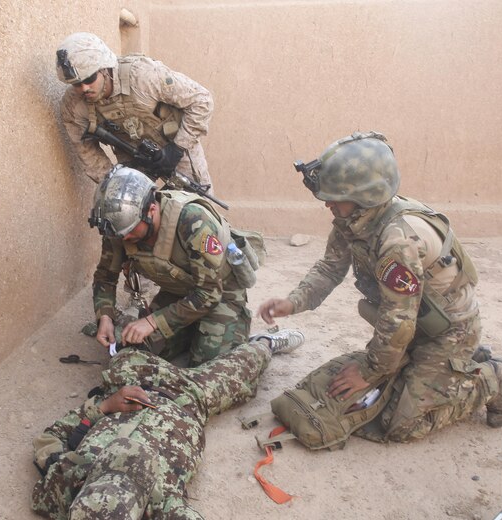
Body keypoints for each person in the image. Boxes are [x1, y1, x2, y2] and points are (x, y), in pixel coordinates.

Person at [257, 131, 502, 443]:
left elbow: (398, 320)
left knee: (400, 425)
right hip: (413, 324)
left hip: (447, 331)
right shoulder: (354, 220)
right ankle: (452, 369)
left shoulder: (398, 240)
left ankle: (490, 378)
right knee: (371, 391)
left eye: (335, 197)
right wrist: (293, 302)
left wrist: (368, 370)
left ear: (365, 195)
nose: (327, 204)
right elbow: (329, 268)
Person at [30, 328, 305, 520]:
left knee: (132, 333)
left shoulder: (64, 479)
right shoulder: (162, 505)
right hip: (192, 397)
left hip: (135, 374)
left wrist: (105, 405)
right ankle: (267, 341)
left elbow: (50, 438)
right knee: (245, 364)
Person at [88, 165, 257, 367]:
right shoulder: (120, 227)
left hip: (220, 293)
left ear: (151, 210)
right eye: (120, 234)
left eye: (130, 231)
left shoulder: (192, 221)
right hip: (179, 293)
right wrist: (104, 316)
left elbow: (209, 294)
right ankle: (190, 330)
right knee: (132, 352)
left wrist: (152, 322)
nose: (125, 239)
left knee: (208, 368)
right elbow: (105, 276)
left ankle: (264, 343)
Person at [55, 32, 214, 189]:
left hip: (177, 149)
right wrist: (114, 184)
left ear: (104, 69)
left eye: (89, 79)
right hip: (133, 159)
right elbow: (87, 152)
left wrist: (177, 148)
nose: (84, 88)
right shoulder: (73, 106)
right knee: (124, 209)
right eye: (76, 84)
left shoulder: (143, 76)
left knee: (195, 208)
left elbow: (202, 101)